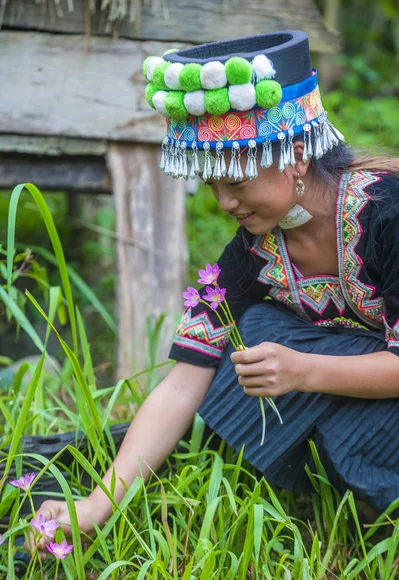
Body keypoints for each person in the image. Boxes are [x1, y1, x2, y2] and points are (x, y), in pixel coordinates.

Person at [27, 30, 399, 557]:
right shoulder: (250, 255)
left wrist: (301, 370)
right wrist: (96, 504)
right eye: (211, 185)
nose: (224, 202)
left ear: (295, 154)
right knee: (254, 333)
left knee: (275, 342)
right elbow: (182, 385)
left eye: (237, 182)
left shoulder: (388, 213)